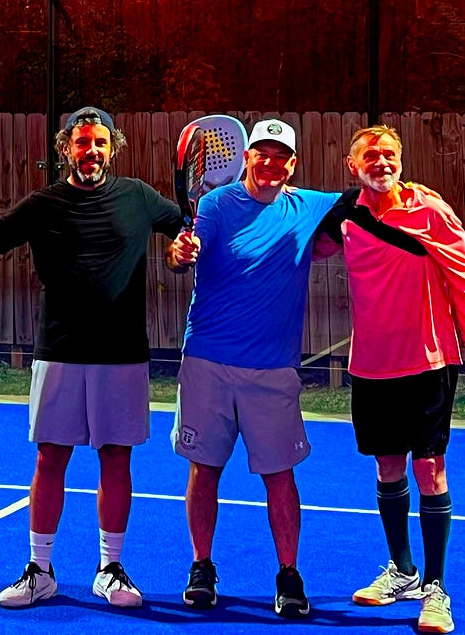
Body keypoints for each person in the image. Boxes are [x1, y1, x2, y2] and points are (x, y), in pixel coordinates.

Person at [0, 106, 184, 610]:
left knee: (116, 458)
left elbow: (184, 234)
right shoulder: (44, 203)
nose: (91, 150)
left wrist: (181, 252)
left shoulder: (139, 197)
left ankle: (110, 569)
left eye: (99, 142)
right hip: (59, 351)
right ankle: (40, 571)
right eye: (81, 142)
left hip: (121, 354)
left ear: (112, 148)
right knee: (50, 458)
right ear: (66, 150)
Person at [165, 118, 344, 618]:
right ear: (246, 158)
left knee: (280, 475)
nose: (270, 162)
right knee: (204, 470)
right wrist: (179, 253)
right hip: (207, 361)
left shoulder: (310, 206)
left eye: (280, 156)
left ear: (294, 164)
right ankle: (201, 566)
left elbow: (365, 204)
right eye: (261, 153)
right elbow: (182, 256)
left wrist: (404, 189)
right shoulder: (213, 205)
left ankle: (288, 575)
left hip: (273, 371)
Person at [335, 125, 465, 635]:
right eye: (371, 155)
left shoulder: (431, 210)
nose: (381, 162)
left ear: (400, 161)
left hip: (429, 363)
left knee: (430, 469)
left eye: (389, 154)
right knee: (387, 467)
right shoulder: (344, 215)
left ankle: (436, 588)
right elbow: (295, 242)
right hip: (370, 366)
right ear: (353, 165)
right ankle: (402, 571)